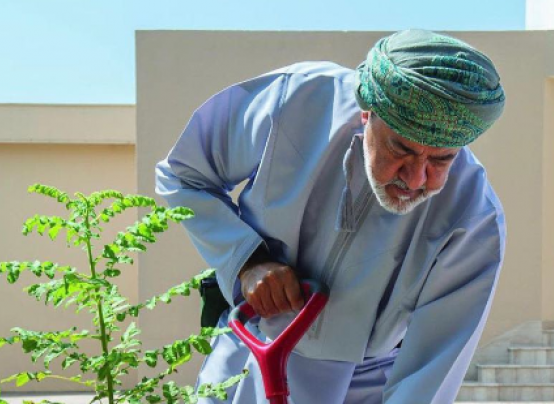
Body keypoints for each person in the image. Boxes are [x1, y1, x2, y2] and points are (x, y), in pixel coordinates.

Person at [155, 29, 506, 404]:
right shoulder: (297, 101)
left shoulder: (473, 218)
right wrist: (246, 260)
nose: (416, 178)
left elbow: (431, 372)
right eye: (401, 149)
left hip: (364, 387)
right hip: (248, 357)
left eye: (441, 159)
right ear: (366, 111)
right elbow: (183, 174)